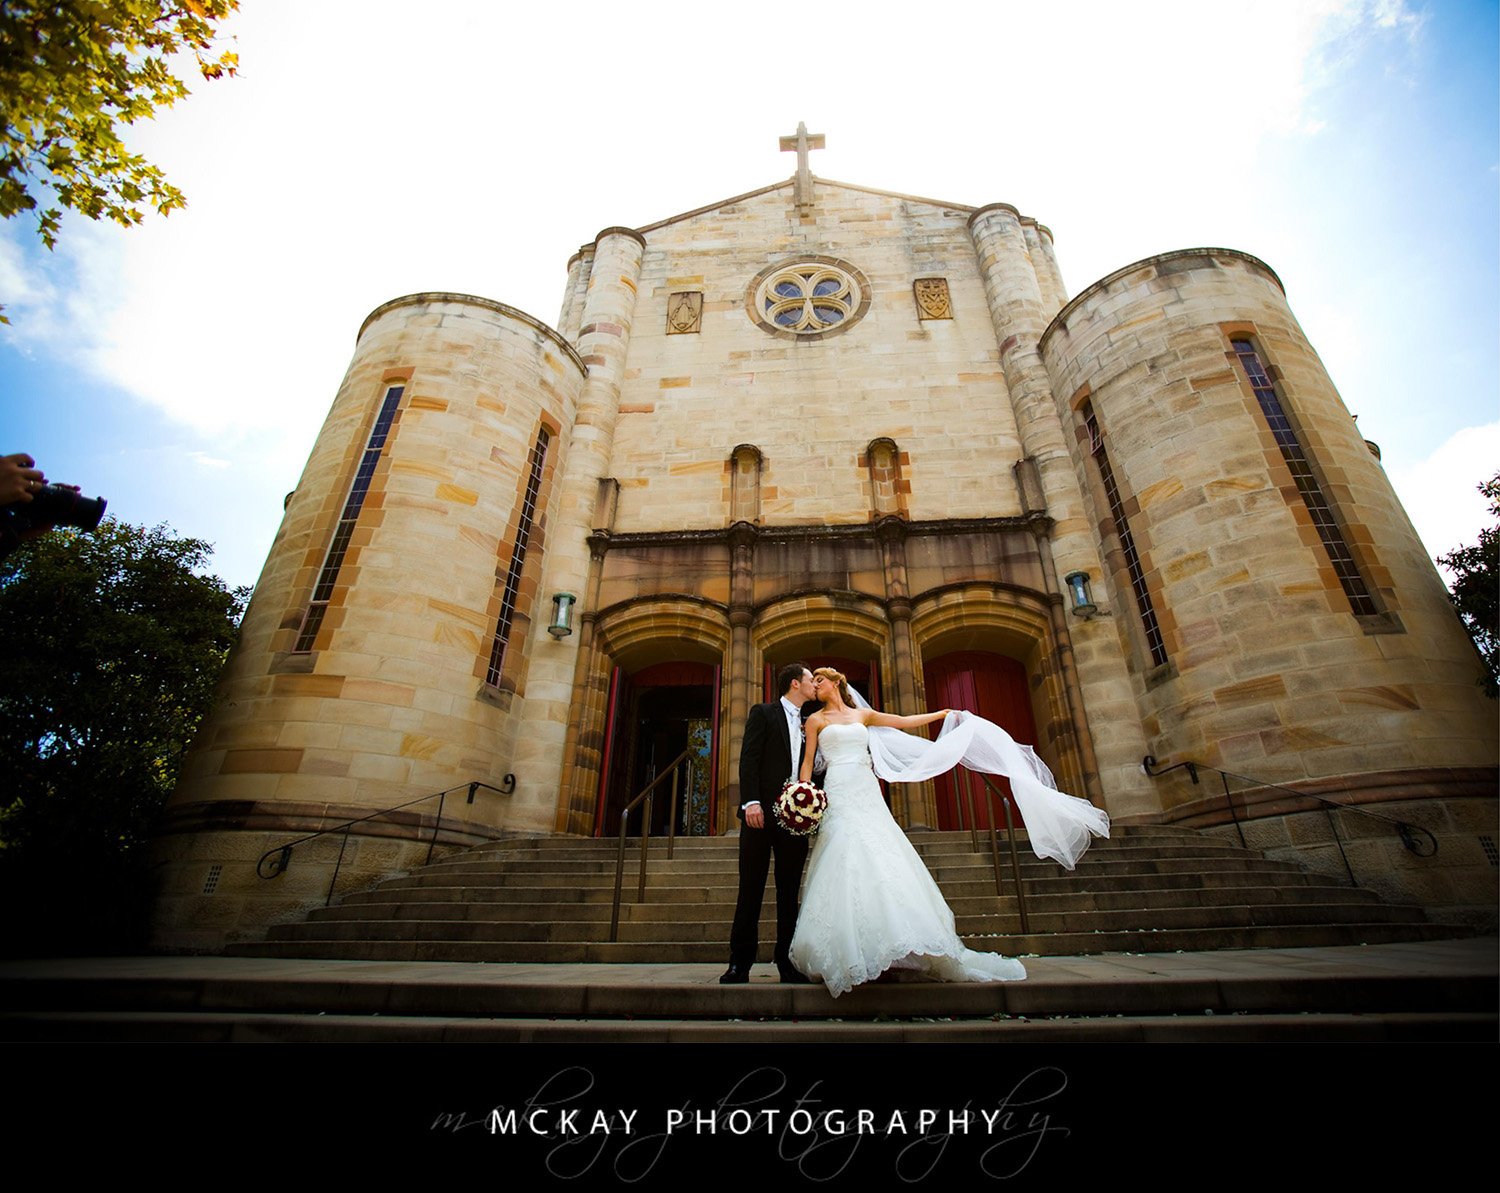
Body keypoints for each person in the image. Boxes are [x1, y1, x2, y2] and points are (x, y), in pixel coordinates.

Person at [788, 666, 1109, 997]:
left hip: (865, 787)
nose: (815, 685)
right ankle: (849, 950)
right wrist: (801, 794)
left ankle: (892, 947)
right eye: (813, 682)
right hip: (839, 789)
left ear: (836, 683)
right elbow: (808, 762)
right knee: (841, 851)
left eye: (819, 680)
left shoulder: (864, 715)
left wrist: (940, 713)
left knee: (879, 850)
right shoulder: (815, 721)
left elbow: (902, 722)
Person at [721, 662, 819, 984]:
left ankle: (787, 962)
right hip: (759, 815)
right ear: (795, 683)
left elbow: (813, 768)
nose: (814, 685)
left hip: (794, 820)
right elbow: (748, 758)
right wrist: (750, 802)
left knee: (789, 892)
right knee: (750, 888)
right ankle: (740, 963)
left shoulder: (810, 723)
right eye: (809, 680)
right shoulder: (763, 713)